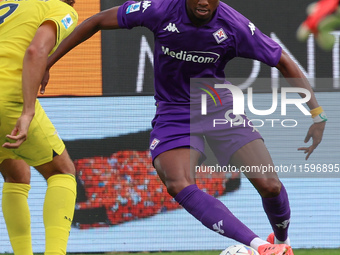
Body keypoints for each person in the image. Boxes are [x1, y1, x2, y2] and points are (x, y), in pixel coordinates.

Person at [42, 0, 327, 254]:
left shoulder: (234, 25)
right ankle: (260, 247)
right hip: (174, 113)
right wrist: (48, 62)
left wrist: (317, 114)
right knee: (177, 182)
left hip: (219, 108)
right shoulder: (159, 9)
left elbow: (283, 61)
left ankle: (282, 243)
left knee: (270, 184)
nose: (202, 2)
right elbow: (95, 21)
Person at [0, 0, 78, 254]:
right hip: (6, 98)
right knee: (62, 172)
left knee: (16, 174)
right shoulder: (61, 9)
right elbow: (36, 50)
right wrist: (28, 111)